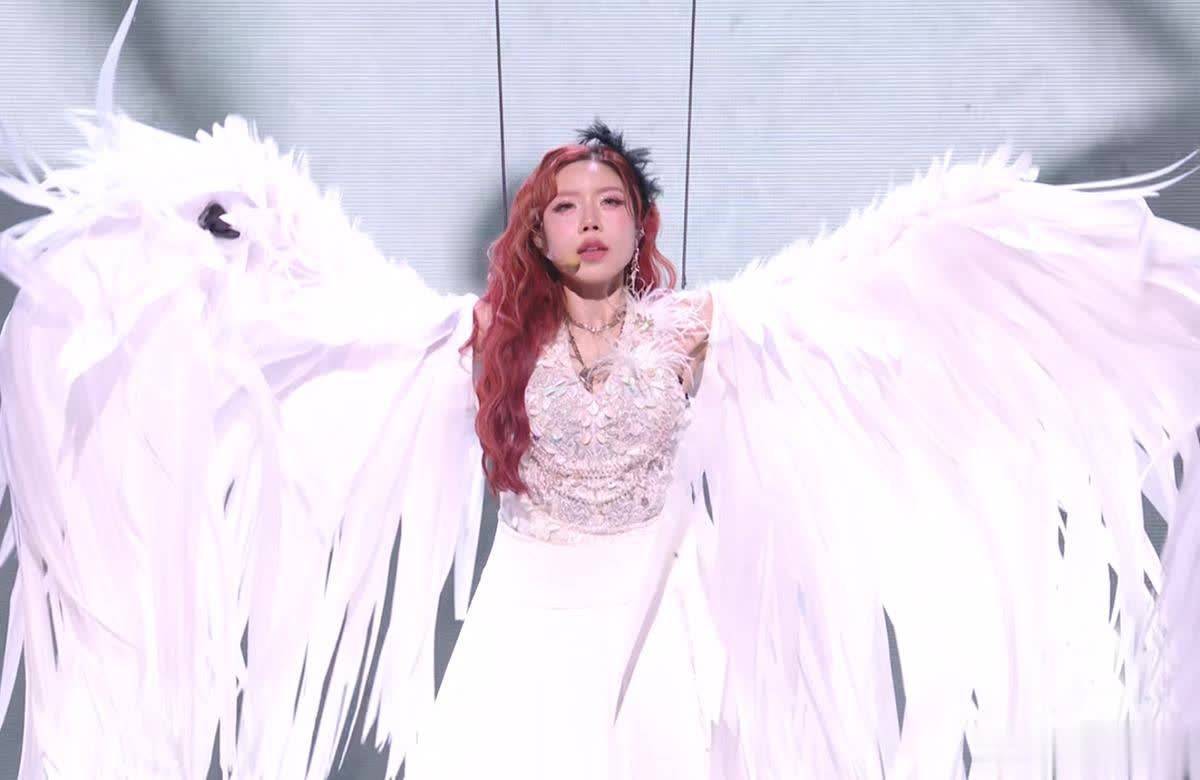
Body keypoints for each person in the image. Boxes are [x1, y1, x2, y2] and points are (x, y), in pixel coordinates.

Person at [0, 4, 1198, 778]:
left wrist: (988, 232)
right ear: (537, 228)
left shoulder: (699, 336)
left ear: (638, 226)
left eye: (609, 204)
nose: (588, 223)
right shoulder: (477, 342)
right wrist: (243, 214)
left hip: (654, 633)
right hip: (530, 626)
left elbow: (880, 290)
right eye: (567, 206)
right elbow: (328, 307)